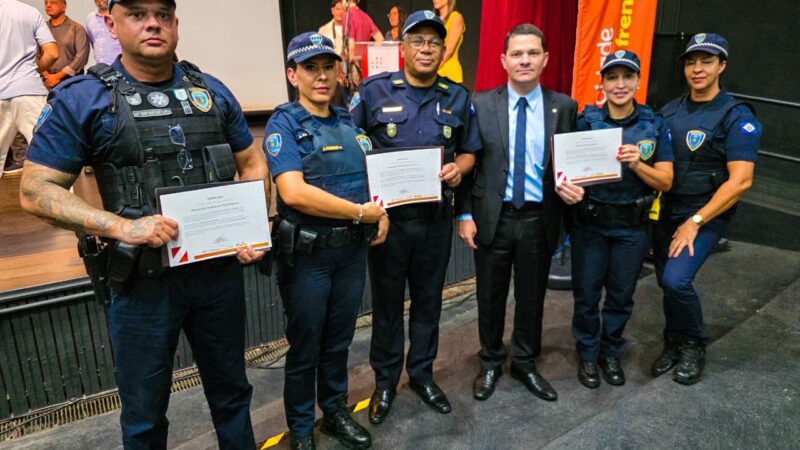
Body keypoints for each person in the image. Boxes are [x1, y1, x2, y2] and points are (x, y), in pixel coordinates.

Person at [20, 1, 267, 448]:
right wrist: (119, 227)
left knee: (233, 395)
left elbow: (251, 161)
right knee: (144, 416)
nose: (152, 22)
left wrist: (252, 227)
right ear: (112, 24)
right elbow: (35, 189)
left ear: (175, 24)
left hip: (217, 277)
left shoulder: (211, 91)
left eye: (162, 13)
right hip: (141, 284)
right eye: (137, 13)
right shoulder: (84, 97)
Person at [350, 10, 480, 423]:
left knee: (428, 303)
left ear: (444, 50)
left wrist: (460, 167)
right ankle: (385, 382)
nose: (426, 49)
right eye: (418, 41)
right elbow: (351, 143)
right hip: (388, 224)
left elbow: (470, 149)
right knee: (387, 305)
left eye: (434, 43)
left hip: (434, 220)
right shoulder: (373, 92)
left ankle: (422, 374)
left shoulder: (457, 96)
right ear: (402, 48)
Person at [264, 32, 389, 450]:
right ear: (292, 74)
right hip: (308, 259)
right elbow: (293, 193)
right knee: (305, 347)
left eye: (327, 67)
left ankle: (333, 411)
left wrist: (380, 211)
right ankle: (301, 429)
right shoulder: (284, 124)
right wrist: (358, 213)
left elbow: (372, 180)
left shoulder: (349, 123)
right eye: (310, 68)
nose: (321, 76)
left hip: (350, 254)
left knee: (339, 340)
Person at [456, 23, 584, 402]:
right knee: (489, 297)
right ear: (503, 60)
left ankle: (526, 362)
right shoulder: (480, 103)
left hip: (538, 219)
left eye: (532, 53)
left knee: (532, 299)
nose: (524, 60)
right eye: (516, 54)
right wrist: (463, 214)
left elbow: (569, 163)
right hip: (492, 218)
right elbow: (468, 161)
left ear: (545, 59)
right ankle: (492, 361)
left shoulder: (565, 107)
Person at [651, 33, 760, 385]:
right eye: (691, 61)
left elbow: (741, 181)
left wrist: (695, 222)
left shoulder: (736, 116)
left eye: (707, 61)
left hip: (705, 213)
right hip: (667, 208)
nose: (697, 69)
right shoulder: (670, 110)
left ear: (721, 66)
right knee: (664, 281)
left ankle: (694, 344)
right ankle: (673, 340)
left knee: (677, 280)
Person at [569, 50, 674, 389]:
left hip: (632, 226)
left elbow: (666, 181)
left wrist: (637, 165)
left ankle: (610, 352)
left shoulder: (653, 124)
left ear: (638, 81)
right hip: (591, 224)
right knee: (586, 295)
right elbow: (564, 171)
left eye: (627, 77)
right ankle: (587, 353)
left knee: (620, 296)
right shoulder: (585, 122)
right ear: (602, 83)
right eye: (612, 77)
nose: (620, 85)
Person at [0, 0, 58, 179]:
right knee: (52, 156)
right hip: (29, 91)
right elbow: (52, 53)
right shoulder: (29, 12)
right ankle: (61, 205)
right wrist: (36, 69)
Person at [44, 0, 90, 88]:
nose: (48, 6)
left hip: (72, 83)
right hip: (47, 84)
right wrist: (47, 76)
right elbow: (36, 55)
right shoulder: (42, 29)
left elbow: (81, 58)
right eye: (46, 3)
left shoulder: (77, 29)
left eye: (53, 2)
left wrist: (58, 76)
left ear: (64, 6)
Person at [433, 0, 464, 83]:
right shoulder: (433, 20)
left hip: (449, 74)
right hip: (432, 75)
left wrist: (432, 69)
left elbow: (449, 50)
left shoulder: (456, 17)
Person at [86, 0, 122, 65]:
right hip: (101, 67)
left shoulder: (119, 15)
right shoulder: (90, 18)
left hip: (120, 65)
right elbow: (94, 42)